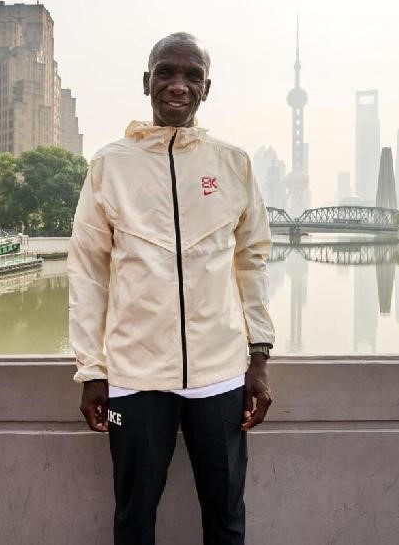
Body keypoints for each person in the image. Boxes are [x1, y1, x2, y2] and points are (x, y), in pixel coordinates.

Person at [68, 32, 274, 545]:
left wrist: (259, 357)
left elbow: (251, 261)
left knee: (226, 517)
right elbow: (89, 272)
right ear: (147, 82)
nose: (178, 86)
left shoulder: (233, 163)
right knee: (133, 519)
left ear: (207, 89)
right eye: (166, 73)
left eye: (192, 76)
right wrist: (92, 370)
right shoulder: (110, 164)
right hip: (133, 377)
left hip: (220, 375)